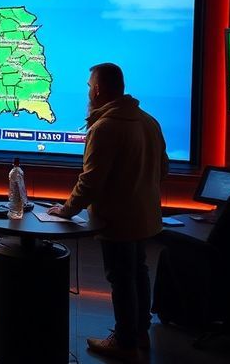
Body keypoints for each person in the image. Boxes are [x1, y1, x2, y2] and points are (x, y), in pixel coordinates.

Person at [48, 63, 168, 363]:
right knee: (138, 272)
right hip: (145, 216)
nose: (88, 91)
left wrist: (67, 209)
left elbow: (91, 181)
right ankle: (140, 332)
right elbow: (163, 168)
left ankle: (124, 342)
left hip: (118, 219)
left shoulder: (105, 127)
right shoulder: (149, 121)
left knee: (121, 278)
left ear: (98, 90)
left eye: (90, 86)